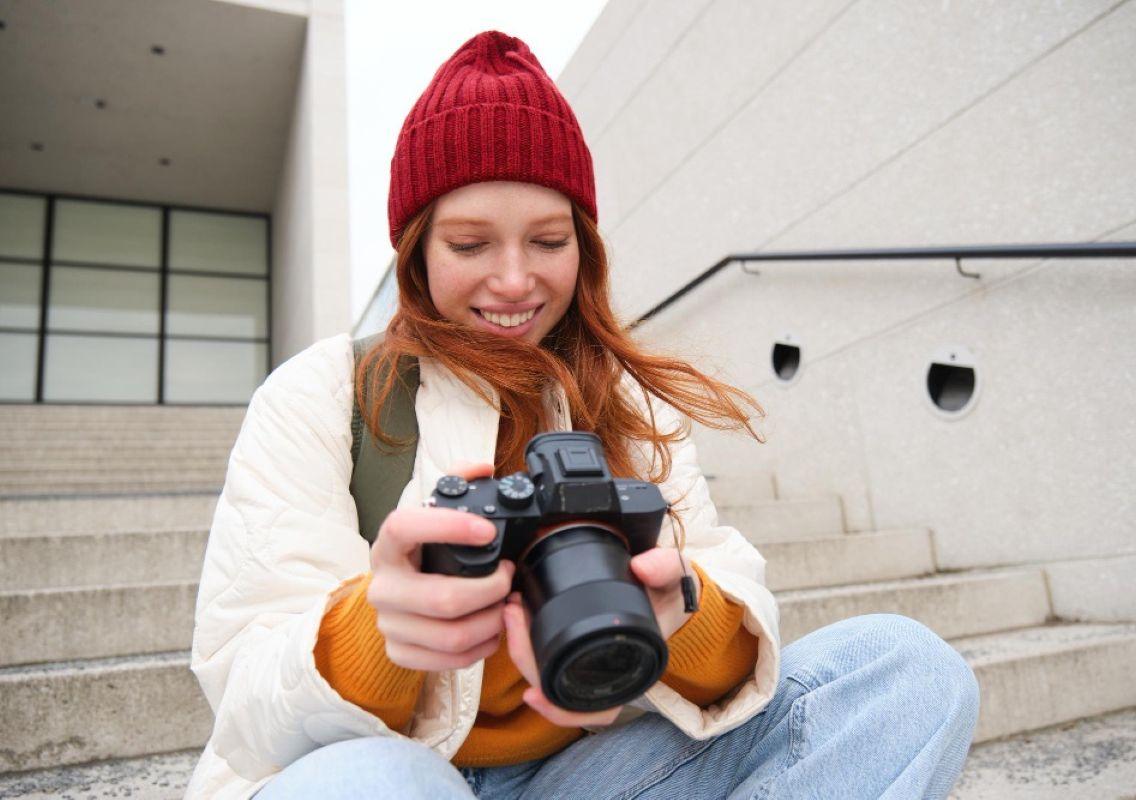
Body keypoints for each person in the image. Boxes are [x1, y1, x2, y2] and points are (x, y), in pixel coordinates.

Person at [186, 30, 979, 800]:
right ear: (417, 252)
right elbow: (245, 693)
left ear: (585, 247)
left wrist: (681, 614)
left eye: (548, 239)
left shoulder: (623, 403)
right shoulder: (324, 392)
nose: (513, 279)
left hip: (585, 772)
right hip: (380, 765)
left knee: (904, 672)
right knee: (382, 782)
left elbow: (734, 608)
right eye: (469, 244)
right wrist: (375, 631)